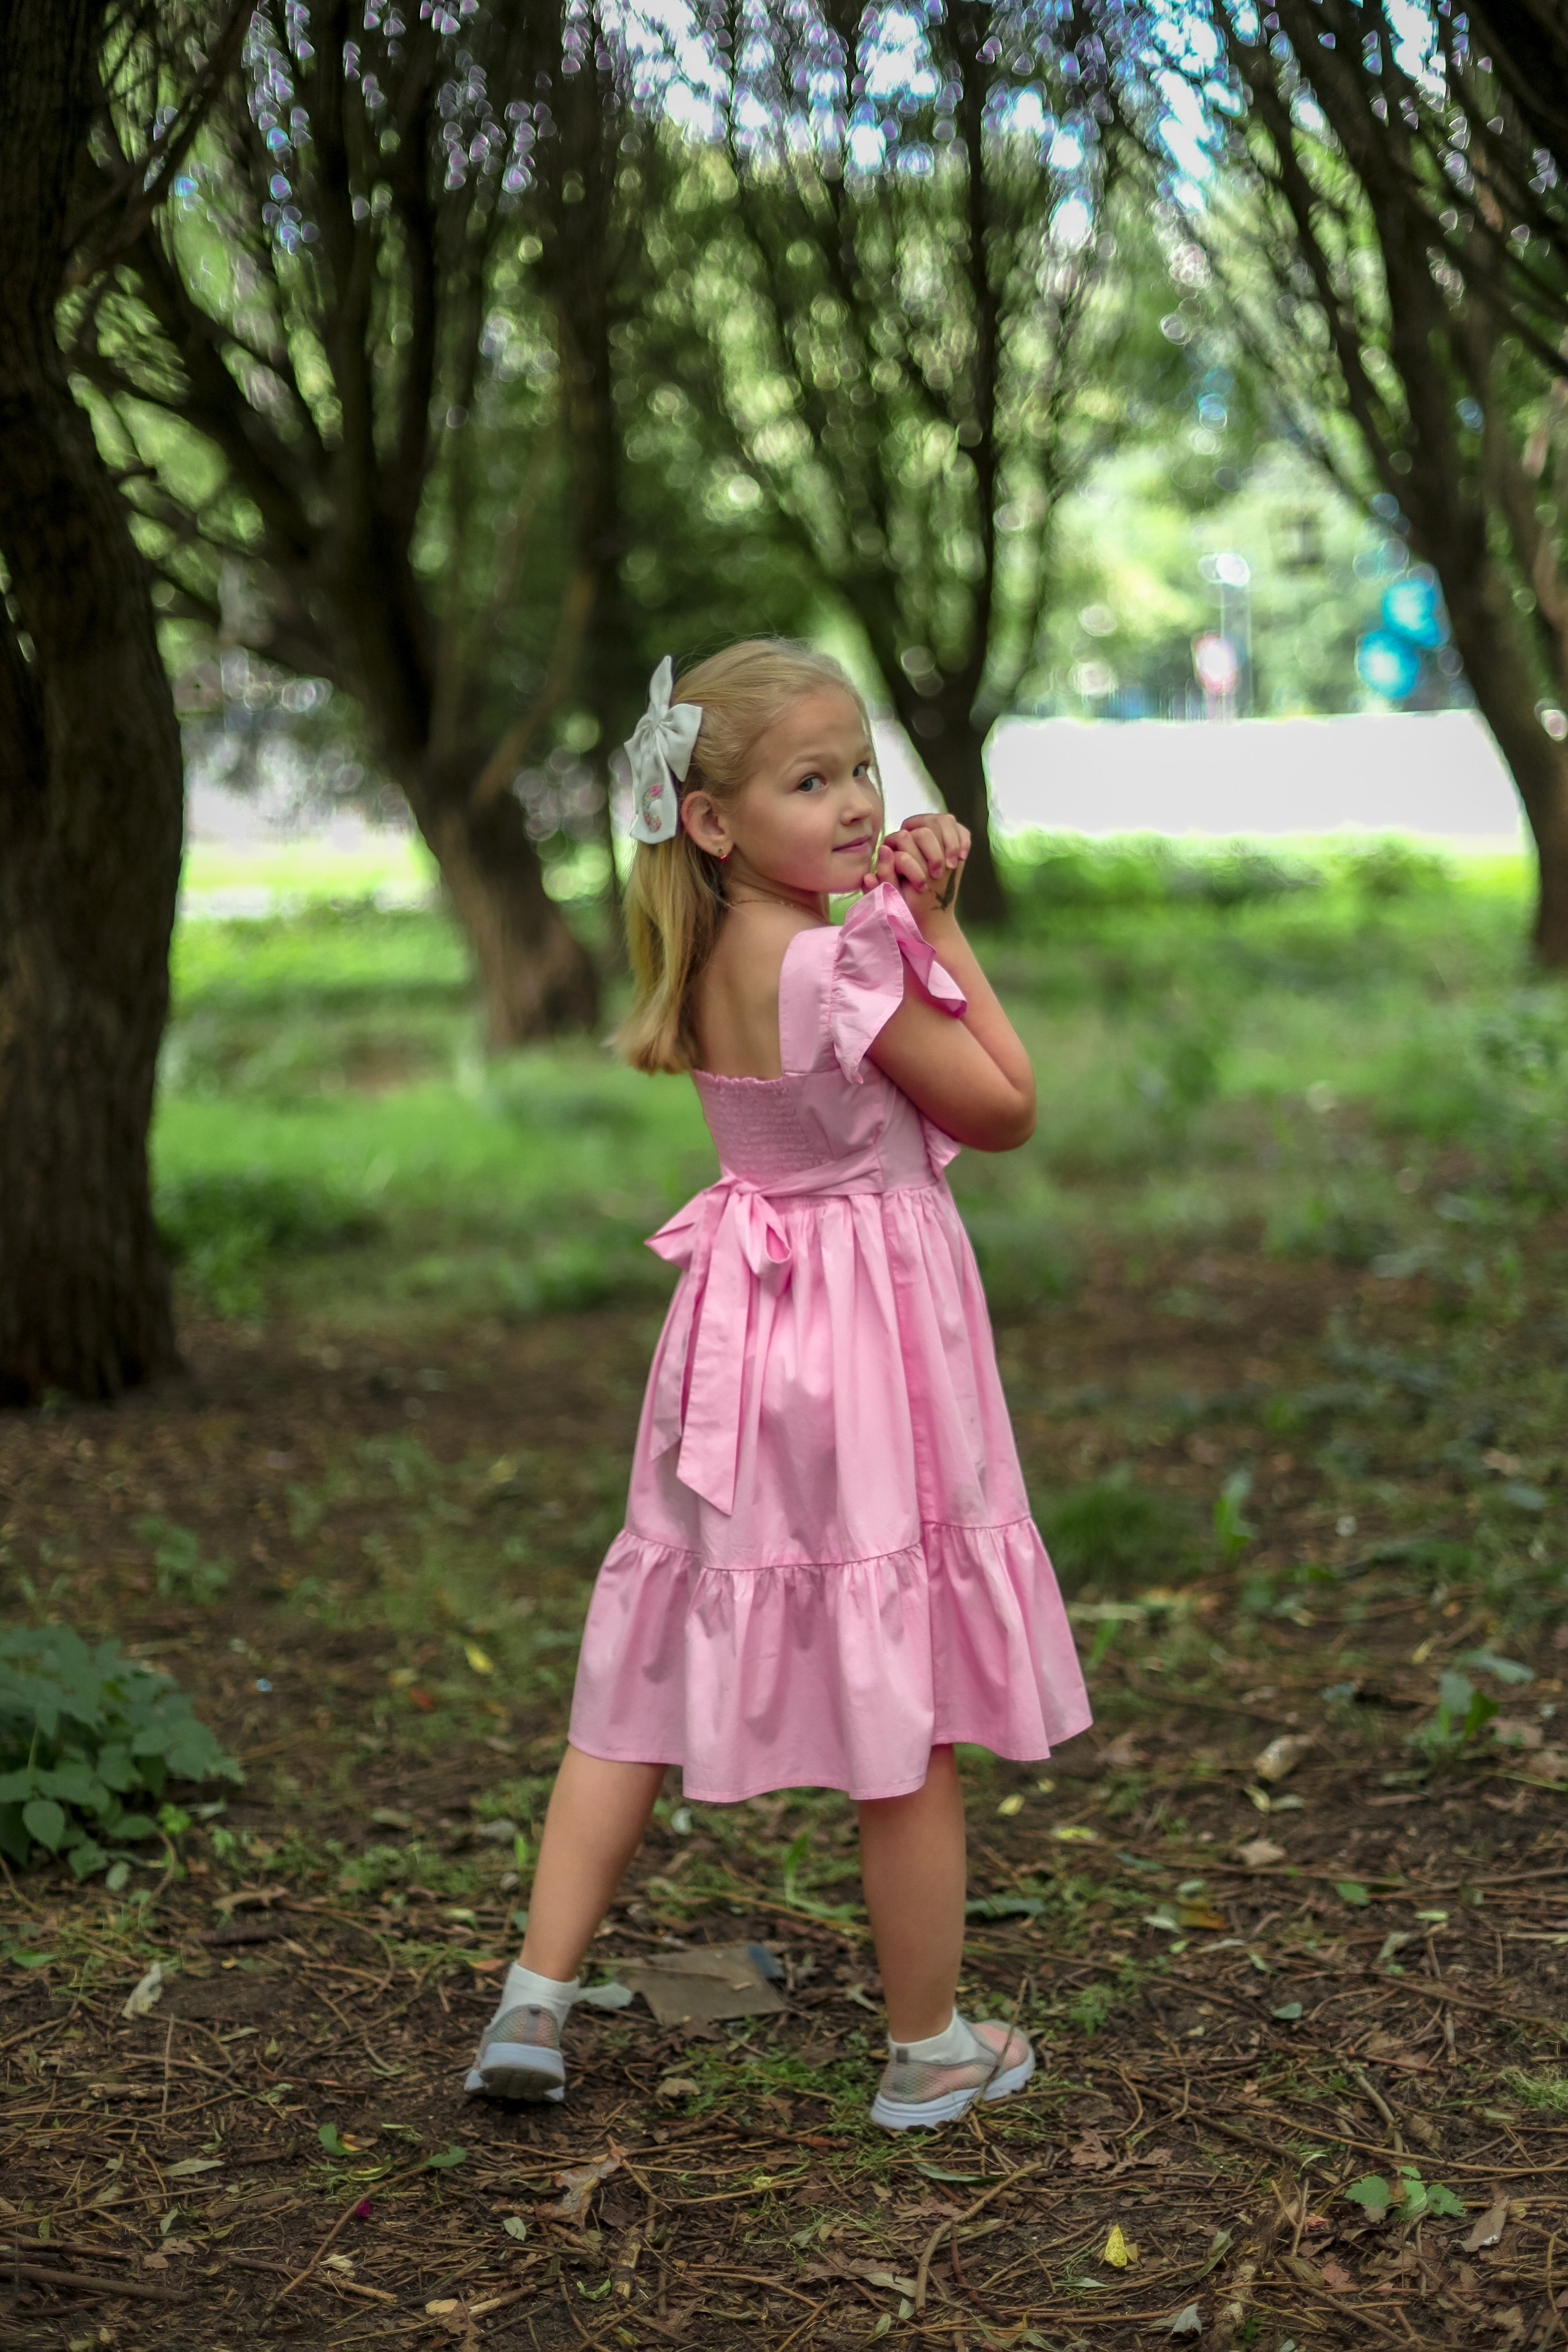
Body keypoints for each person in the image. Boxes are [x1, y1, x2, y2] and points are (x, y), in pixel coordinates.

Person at [464, 639, 1090, 2130]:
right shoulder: (843, 962)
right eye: (812, 781)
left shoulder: (716, 952)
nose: (859, 803)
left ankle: (535, 2001)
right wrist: (945, 926)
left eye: (862, 767)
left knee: (638, 1658)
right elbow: (1002, 1105)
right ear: (712, 821)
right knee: (905, 1693)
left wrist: (896, 905)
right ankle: (930, 2050)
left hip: (735, 1341)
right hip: (864, 1348)